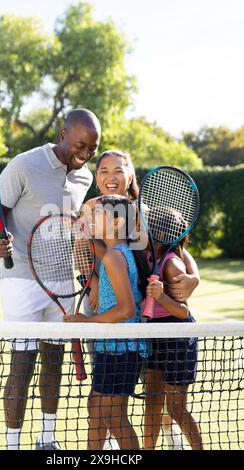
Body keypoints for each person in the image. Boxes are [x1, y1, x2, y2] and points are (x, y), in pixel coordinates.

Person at [0, 108, 101, 450]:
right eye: (81, 144)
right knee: (22, 365)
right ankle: (12, 445)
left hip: (62, 281)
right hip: (20, 276)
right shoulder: (25, 164)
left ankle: (47, 440)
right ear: (63, 134)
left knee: (54, 362)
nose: (87, 153)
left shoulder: (84, 177)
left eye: (93, 148)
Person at [81, 150, 200, 449]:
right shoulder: (90, 209)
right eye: (103, 170)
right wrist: (91, 283)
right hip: (110, 316)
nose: (111, 177)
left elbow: (178, 249)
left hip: (141, 320)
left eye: (119, 170)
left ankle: (162, 441)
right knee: (101, 404)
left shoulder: (143, 213)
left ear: (131, 175)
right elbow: (81, 248)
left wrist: (192, 277)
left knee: (147, 396)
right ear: (97, 177)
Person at [65, 195, 150, 450]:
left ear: (116, 223)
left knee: (114, 417)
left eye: (98, 214)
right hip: (112, 348)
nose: (92, 218)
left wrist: (86, 322)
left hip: (121, 349)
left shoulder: (114, 257)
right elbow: (95, 248)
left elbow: (125, 310)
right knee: (99, 410)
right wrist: (84, 230)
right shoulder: (116, 251)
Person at [142, 208, 203, 451]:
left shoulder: (172, 265)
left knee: (176, 407)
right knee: (152, 402)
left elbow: (183, 312)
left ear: (160, 234)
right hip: (153, 333)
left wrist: (161, 298)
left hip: (178, 335)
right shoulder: (145, 254)